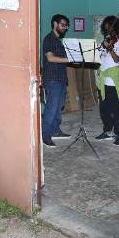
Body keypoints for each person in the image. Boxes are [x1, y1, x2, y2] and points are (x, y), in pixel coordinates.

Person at [95, 15, 119, 146]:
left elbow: (117, 60)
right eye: (107, 30)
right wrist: (102, 47)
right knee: (104, 109)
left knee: (116, 110)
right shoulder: (105, 42)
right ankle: (107, 131)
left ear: (116, 30)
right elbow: (99, 57)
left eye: (111, 30)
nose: (109, 33)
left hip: (113, 82)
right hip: (103, 81)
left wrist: (110, 48)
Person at [41, 14, 71, 147]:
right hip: (52, 79)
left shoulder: (59, 41)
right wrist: (69, 59)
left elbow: (61, 60)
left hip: (61, 79)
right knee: (51, 108)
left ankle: (55, 130)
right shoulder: (49, 39)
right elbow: (50, 58)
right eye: (63, 25)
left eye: (66, 26)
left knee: (58, 108)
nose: (65, 28)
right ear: (55, 24)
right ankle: (46, 135)